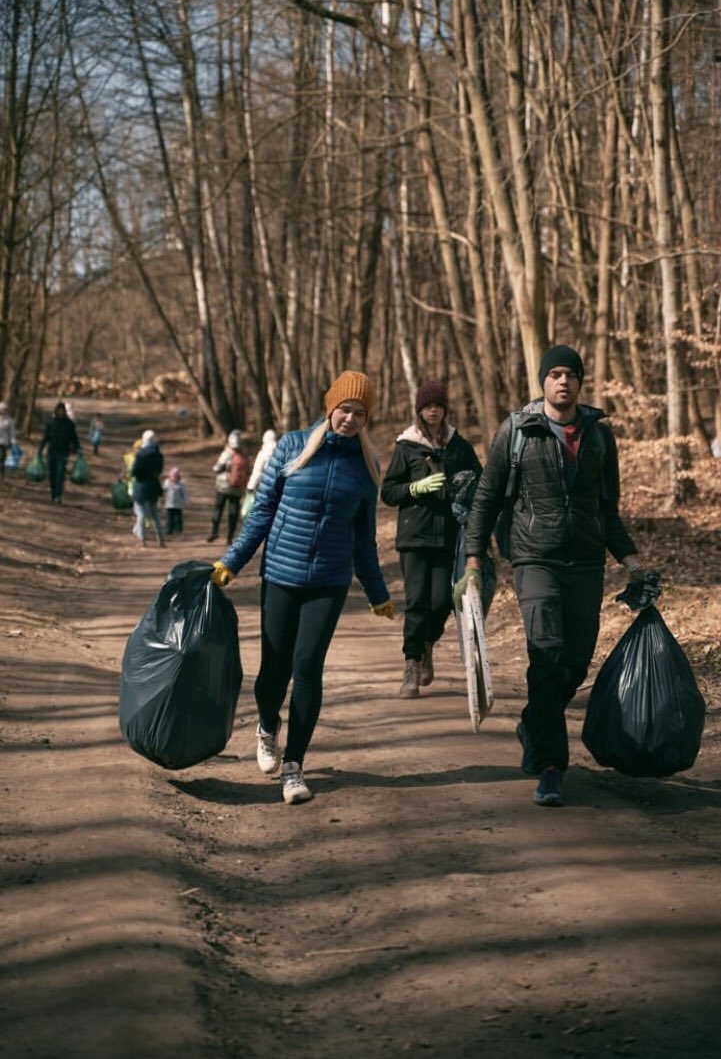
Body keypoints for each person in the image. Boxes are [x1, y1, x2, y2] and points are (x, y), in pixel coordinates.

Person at [454, 345, 662, 808]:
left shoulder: (600, 438)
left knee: (575, 662)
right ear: (543, 382)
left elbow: (608, 511)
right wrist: (473, 560)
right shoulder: (518, 431)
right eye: (555, 374)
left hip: (586, 564)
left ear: (580, 383)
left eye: (570, 374)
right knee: (546, 655)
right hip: (534, 561)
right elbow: (486, 500)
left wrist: (633, 563)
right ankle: (551, 767)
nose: (562, 381)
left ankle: (533, 721)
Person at [210, 370, 395, 805]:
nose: (350, 419)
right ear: (330, 407)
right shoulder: (292, 447)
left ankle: (294, 767)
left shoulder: (367, 467)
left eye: (360, 413)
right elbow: (261, 513)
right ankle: (267, 726)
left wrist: (377, 592)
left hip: (329, 583)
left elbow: (363, 540)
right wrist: (232, 562)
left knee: (308, 666)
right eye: (345, 409)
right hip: (280, 576)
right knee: (275, 669)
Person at [381, 380, 482, 699]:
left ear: (445, 409)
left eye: (437, 405)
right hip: (414, 536)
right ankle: (411, 663)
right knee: (416, 603)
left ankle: (426, 645)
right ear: (419, 411)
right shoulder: (406, 447)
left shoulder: (459, 446)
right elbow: (388, 492)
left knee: (441, 602)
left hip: (448, 536)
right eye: (427, 406)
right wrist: (414, 489)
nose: (433, 410)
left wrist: (462, 488)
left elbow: (479, 485)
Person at [207, 431, 250, 544]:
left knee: (218, 508)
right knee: (233, 511)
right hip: (238, 488)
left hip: (223, 486)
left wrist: (217, 469)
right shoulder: (244, 454)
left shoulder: (227, 453)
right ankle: (229, 537)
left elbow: (217, 468)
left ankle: (214, 531)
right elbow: (248, 470)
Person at [39, 402, 80, 503]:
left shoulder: (69, 424)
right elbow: (46, 437)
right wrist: (40, 449)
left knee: (60, 474)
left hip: (63, 452)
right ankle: (53, 494)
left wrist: (78, 448)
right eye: (59, 411)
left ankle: (58, 495)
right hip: (52, 451)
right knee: (52, 474)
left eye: (62, 411)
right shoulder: (51, 423)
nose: (61, 413)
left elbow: (74, 438)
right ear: (56, 411)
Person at [130, 429, 165, 547]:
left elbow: (134, 471)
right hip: (153, 484)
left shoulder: (141, 454)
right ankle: (160, 539)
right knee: (154, 513)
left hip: (141, 485)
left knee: (141, 514)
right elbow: (160, 470)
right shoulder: (158, 454)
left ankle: (142, 539)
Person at [162, 466, 190, 535]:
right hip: (169, 504)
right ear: (170, 477)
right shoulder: (167, 482)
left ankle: (178, 529)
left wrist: (187, 501)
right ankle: (169, 530)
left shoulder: (181, 484)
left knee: (178, 518)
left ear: (179, 477)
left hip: (178, 505)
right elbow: (163, 490)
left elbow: (185, 493)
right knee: (169, 518)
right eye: (172, 477)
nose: (174, 478)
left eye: (176, 477)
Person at [0, 401, 18, 482]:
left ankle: (2, 476)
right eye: (2, 409)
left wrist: (13, 442)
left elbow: (12, 433)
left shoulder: (10, 420)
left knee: (2, 459)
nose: (3, 411)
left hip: (3, 443)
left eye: (5, 409)